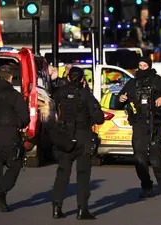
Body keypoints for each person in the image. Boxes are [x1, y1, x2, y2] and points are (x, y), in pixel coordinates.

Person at [116, 57, 161, 198]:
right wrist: (120, 99)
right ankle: (146, 186)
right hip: (139, 125)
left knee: (156, 158)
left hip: (155, 124)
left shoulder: (159, 81)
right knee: (139, 159)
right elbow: (117, 103)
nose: (142, 68)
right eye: (140, 65)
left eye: (145, 65)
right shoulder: (132, 83)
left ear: (149, 66)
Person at [51, 67, 104, 220]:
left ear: (68, 78)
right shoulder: (86, 95)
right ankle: (82, 210)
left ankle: (56, 207)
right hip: (83, 138)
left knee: (62, 173)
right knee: (82, 175)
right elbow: (99, 118)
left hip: (64, 136)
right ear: (82, 79)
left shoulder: (60, 93)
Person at [0, 66, 30, 212]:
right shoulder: (14, 95)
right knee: (15, 165)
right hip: (9, 137)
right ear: (10, 78)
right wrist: (19, 124)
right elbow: (25, 117)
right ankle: (1, 191)